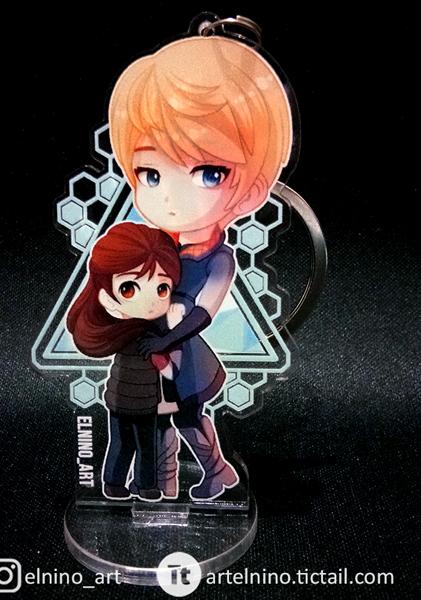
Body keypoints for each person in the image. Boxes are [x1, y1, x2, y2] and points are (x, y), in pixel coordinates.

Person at [108, 35, 293, 500]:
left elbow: (203, 313)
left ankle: (218, 472)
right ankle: (163, 488)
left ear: (252, 190)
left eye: (210, 173)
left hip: (184, 357)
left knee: (187, 417)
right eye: (151, 174)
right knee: (157, 422)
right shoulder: (160, 245)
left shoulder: (219, 259)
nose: (171, 197)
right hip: (147, 356)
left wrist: (165, 341)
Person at [66, 222, 181, 502]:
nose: (151, 301)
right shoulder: (141, 335)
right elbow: (167, 370)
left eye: (162, 288)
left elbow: (166, 368)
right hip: (133, 401)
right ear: (106, 296)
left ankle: (125, 484)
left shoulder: (148, 334)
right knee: (136, 445)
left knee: (132, 444)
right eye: (128, 289)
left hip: (131, 400)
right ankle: (134, 485)